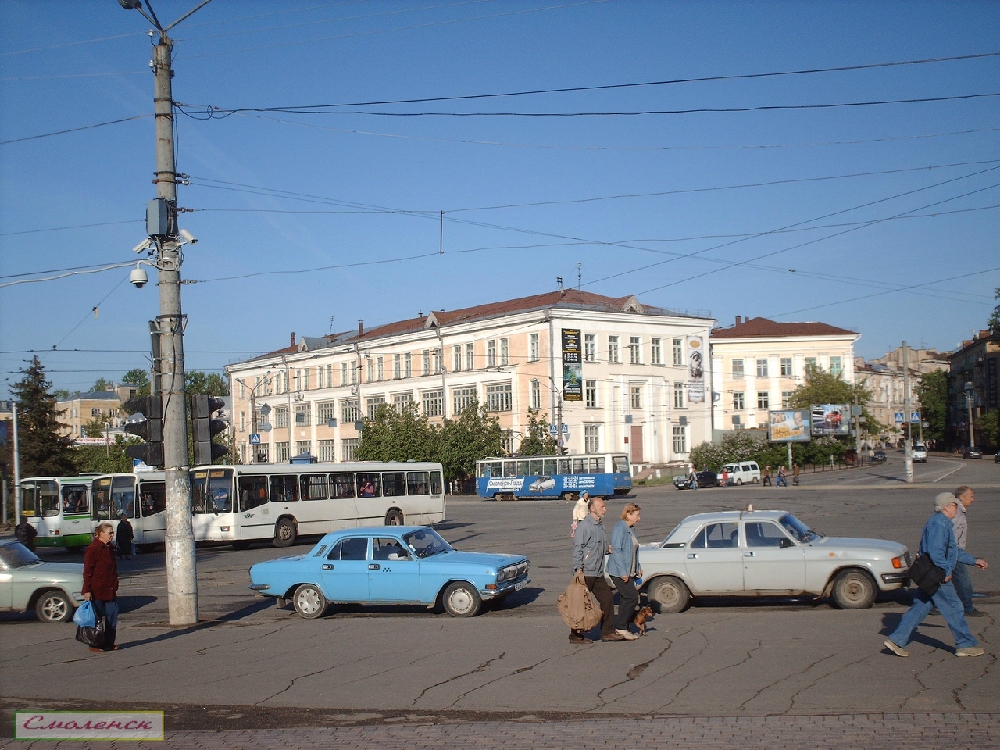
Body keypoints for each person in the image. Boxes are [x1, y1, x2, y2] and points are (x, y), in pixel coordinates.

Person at [883, 493, 987, 658]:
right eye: (954, 505)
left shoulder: (942, 522)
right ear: (946, 507)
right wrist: (945, 571)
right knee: (954, 607)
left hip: (931, 573)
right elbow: (936, 552)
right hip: (936, 574)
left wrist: (973, 561)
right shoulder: (939, 523)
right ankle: (965, 644)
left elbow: (953, 551)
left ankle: (896, 640)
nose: (957, 508)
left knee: (920, 606)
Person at [570, 496, 621, 643]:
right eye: (602, 507)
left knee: (607, 599)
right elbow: (578, 549)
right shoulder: (585, 526)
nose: (605, 509)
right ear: (593, 509)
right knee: (581, 605)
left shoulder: (600, 524)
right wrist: (578, 569)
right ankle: (575, 635)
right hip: (585, 572)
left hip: (597, 572)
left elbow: (598, 545)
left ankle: (607, 632)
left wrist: (607, 549)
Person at [607, 503, 642, 641]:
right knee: (631, 597)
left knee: (626, 598)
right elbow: (616, 550)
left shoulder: (631, 529)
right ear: (628, 514)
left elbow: (634, 551)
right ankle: (621, 627)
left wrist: (638, 567)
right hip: (618, 571)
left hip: (630, 570)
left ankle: (623, 627)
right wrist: (623, 572)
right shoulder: (619, 528)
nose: (639, 518)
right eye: (637, 515)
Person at [83, 522, 121, 652]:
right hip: (97, 590)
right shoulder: (93, 549)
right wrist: (87, 590)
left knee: (112, 615)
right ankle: (95, 644)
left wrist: (115, 583)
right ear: (100, 534)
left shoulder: (109, 548)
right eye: (109, 533)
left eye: (112, 532)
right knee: (96, 618)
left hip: (110, 589)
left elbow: (113, 568)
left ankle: (109, 643)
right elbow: (88, 571)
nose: (112, 535)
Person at [951, 486, 984, 617]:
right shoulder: (957, 511)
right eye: (970, 496)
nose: (973, 499)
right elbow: (951, 533)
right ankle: (967, 607)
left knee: (942, 581)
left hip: (953, 552)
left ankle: (930, 604)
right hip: (955, 553)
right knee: (964, 582)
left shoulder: (958, 509)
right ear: (961, 497)